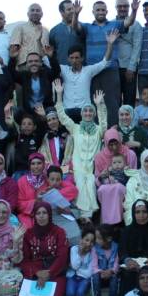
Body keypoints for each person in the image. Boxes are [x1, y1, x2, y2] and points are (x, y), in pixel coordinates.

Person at [19, 201, 69, 296]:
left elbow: (62, 256)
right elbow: (25, 260)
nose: (41, 216)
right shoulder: (28, 234)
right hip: (34, 274)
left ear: (49, 214)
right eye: (38, 213)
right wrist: (36, 273)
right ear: (34, 216)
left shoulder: (59, 232)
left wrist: (49, 273)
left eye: (44, 213)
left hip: (55, 274)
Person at [54, 85, 107, 214]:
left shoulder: (99, 130)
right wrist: (59, 95)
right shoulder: (75, 128)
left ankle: (86, 217)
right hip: (77, 168)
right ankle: (84, 217)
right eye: (85, 111)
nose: (88, 113)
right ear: (81, 114)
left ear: (93, 114)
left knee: (90, 185)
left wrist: (100, 105)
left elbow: (104, 122)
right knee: (81, 187)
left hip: (92, 169)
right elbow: (62, 116)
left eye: (90, 111)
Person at [119, 200, 148, 296]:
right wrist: (128, 261)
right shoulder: (126, 231)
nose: (141, 215)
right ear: (133, 213)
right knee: (128, 274)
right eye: (137, 212)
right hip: (132, 267)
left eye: (144, 212)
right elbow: (122, 251)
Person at [65, 226, 95, 296]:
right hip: (72, 277)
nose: (89, 243)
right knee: (70, 293)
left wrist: (79, 270)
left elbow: (89, 273)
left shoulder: (92, 253)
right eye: (86, 240)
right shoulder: (74, 249)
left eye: (92, 241)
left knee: (80, 293)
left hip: (84, 280)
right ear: (81, 240)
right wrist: (80, 253)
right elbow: (74, 265)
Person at [90, 225, 120, 296]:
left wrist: (111, 271)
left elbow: (116, 264)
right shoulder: (95, 248)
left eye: (99, 238)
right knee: (95, 278)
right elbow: (94, 266)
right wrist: (101, 272)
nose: (96, 240)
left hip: (111, 274)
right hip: (100, 275)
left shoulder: (116, 247)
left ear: (109, 238)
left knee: (115, 279)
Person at [9, 1, 47, 70]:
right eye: (32, 10)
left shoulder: (45, 31)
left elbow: (47, 50)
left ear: (42, 14)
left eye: (37, 10)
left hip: (41, 66)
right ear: (28, 14)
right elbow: (13, 49)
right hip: (24, 65)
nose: (35, 12)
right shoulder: (20, 28)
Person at [48, 0, 86, 68]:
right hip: (62, 70)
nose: (72, 11)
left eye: (73, 9)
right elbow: (52, 53)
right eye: (69, 9)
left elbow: (77, 28)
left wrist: (76, 15)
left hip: (81, 70)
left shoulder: (83, 27)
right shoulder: (54, 31)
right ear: (61, 12)